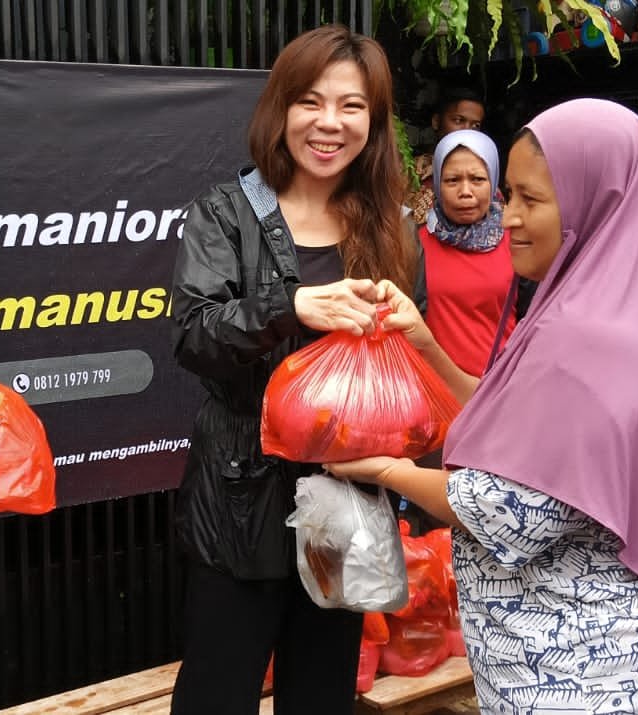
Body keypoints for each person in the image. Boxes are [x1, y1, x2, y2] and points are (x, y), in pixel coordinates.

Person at [328, 99, 638, 712]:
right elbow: (520, 424)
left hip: (600, 674)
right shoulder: (612, 308)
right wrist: (426, 344)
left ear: (593, 203)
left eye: (532, 199)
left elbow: (507, 508)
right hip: (631, 657)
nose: (511, 219)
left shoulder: (582, 337)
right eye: (510, 197)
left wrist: (382, 470)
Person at [168, 24, 420, 715]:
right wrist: (290, 305)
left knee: (322, 696)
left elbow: (408, 364)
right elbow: (192, 336)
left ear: (374, 120)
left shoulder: (391, 227)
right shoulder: (225, 214)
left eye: (352, 106)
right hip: (238, 504)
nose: (329, 123)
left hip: (347, 506)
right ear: (280, 109)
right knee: (216, 695)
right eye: (311, 101)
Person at [418, 129, 515, 380]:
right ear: (437, 184)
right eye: (452, 180)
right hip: (431, 389)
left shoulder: (517, 243)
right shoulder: (414, 244)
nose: (465, 191)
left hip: (500, 387)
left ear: (493, 182)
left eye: (477, 179)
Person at [408, 87, 486, 226]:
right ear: (436, 121)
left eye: (475, 125)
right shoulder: (409, 174)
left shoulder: (486, 179)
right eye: (458, 120)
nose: (467, 131)